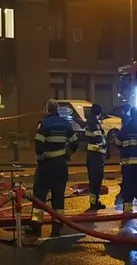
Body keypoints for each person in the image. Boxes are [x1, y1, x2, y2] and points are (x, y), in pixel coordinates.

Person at [28, 99, 79, 237]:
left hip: (46, 166)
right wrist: (67, 155)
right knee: (58, 196)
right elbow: (75, 143)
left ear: (47, 109)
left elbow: (38, 144)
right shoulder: (66, 124)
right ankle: (56, 227)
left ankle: (36, 226)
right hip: (61, 165)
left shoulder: (44, 124)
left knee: (40, 195)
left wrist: (40, 158)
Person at [84, 104, 107, 209]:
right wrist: (105, 145)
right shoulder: (95, 123)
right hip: (96, 156)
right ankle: (95, 203)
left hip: (90, 154)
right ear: (99, 113)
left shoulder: (89, 121)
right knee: (97, 179)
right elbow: (98, 138)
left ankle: (93, 202)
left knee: (92, 179)